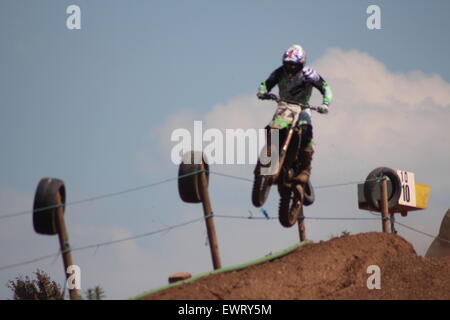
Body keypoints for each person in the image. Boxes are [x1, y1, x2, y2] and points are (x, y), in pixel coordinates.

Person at [256, 44, 333, 187]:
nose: (290, 67)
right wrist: (262, 91)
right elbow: (266, 83)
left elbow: (326, 88)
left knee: (306, 131)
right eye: (288, 64)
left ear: (301, 63)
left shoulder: (309, 74)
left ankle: (305, 170)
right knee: (271, 128)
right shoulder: (279, 72)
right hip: (284, 106)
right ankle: (271, 153)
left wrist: (325, 104)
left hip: (302, 108)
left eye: (294, 65)